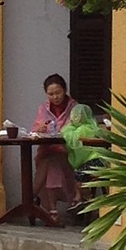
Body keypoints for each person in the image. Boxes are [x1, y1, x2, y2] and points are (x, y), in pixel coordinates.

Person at [31, 73, 79, 220]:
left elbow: (79, 128)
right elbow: (34, 129)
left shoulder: (75, 108)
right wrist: (39, 129)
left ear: (64, 90)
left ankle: (34, 199)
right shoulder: (43, 108)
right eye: (50, 94)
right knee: (50, 161)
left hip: (68, 154)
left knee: (53, 163)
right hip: (46, 151)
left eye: (58, 93)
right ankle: (47, 208)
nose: (55, 97)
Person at [61, 103, 107, 208]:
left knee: (79, 175)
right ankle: (80, 198)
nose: (74, 118)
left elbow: (73, 140)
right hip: (93, 161)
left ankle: (86, 199)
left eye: (76, 115)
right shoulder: (89, 127)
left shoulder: (86, 129)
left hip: (96, 160)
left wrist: (66, 129)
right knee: (77, 174)